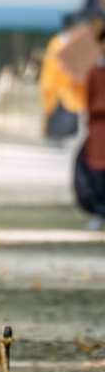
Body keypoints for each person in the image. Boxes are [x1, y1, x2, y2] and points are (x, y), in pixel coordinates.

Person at [75, 25, 105, 228]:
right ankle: (99, 211)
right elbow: (88, 100)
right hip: (98, 129)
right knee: (95, 172)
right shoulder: (94, 70)